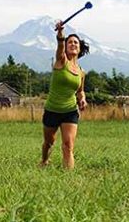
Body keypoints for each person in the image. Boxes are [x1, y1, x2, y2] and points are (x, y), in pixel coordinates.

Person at [40, 20, 89, 169]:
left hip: (70, 111)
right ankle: (44, 161)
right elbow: (60, 46)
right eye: (70, 42)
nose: (73, 44)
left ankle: (68, 178)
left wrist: (83, 99)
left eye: (76, 43)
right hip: (52, 110)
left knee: (68, 145)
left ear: (80, 48)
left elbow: (80, 91)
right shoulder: (61, 61)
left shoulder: (81, 72)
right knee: (49, 142)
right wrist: (61, 34)